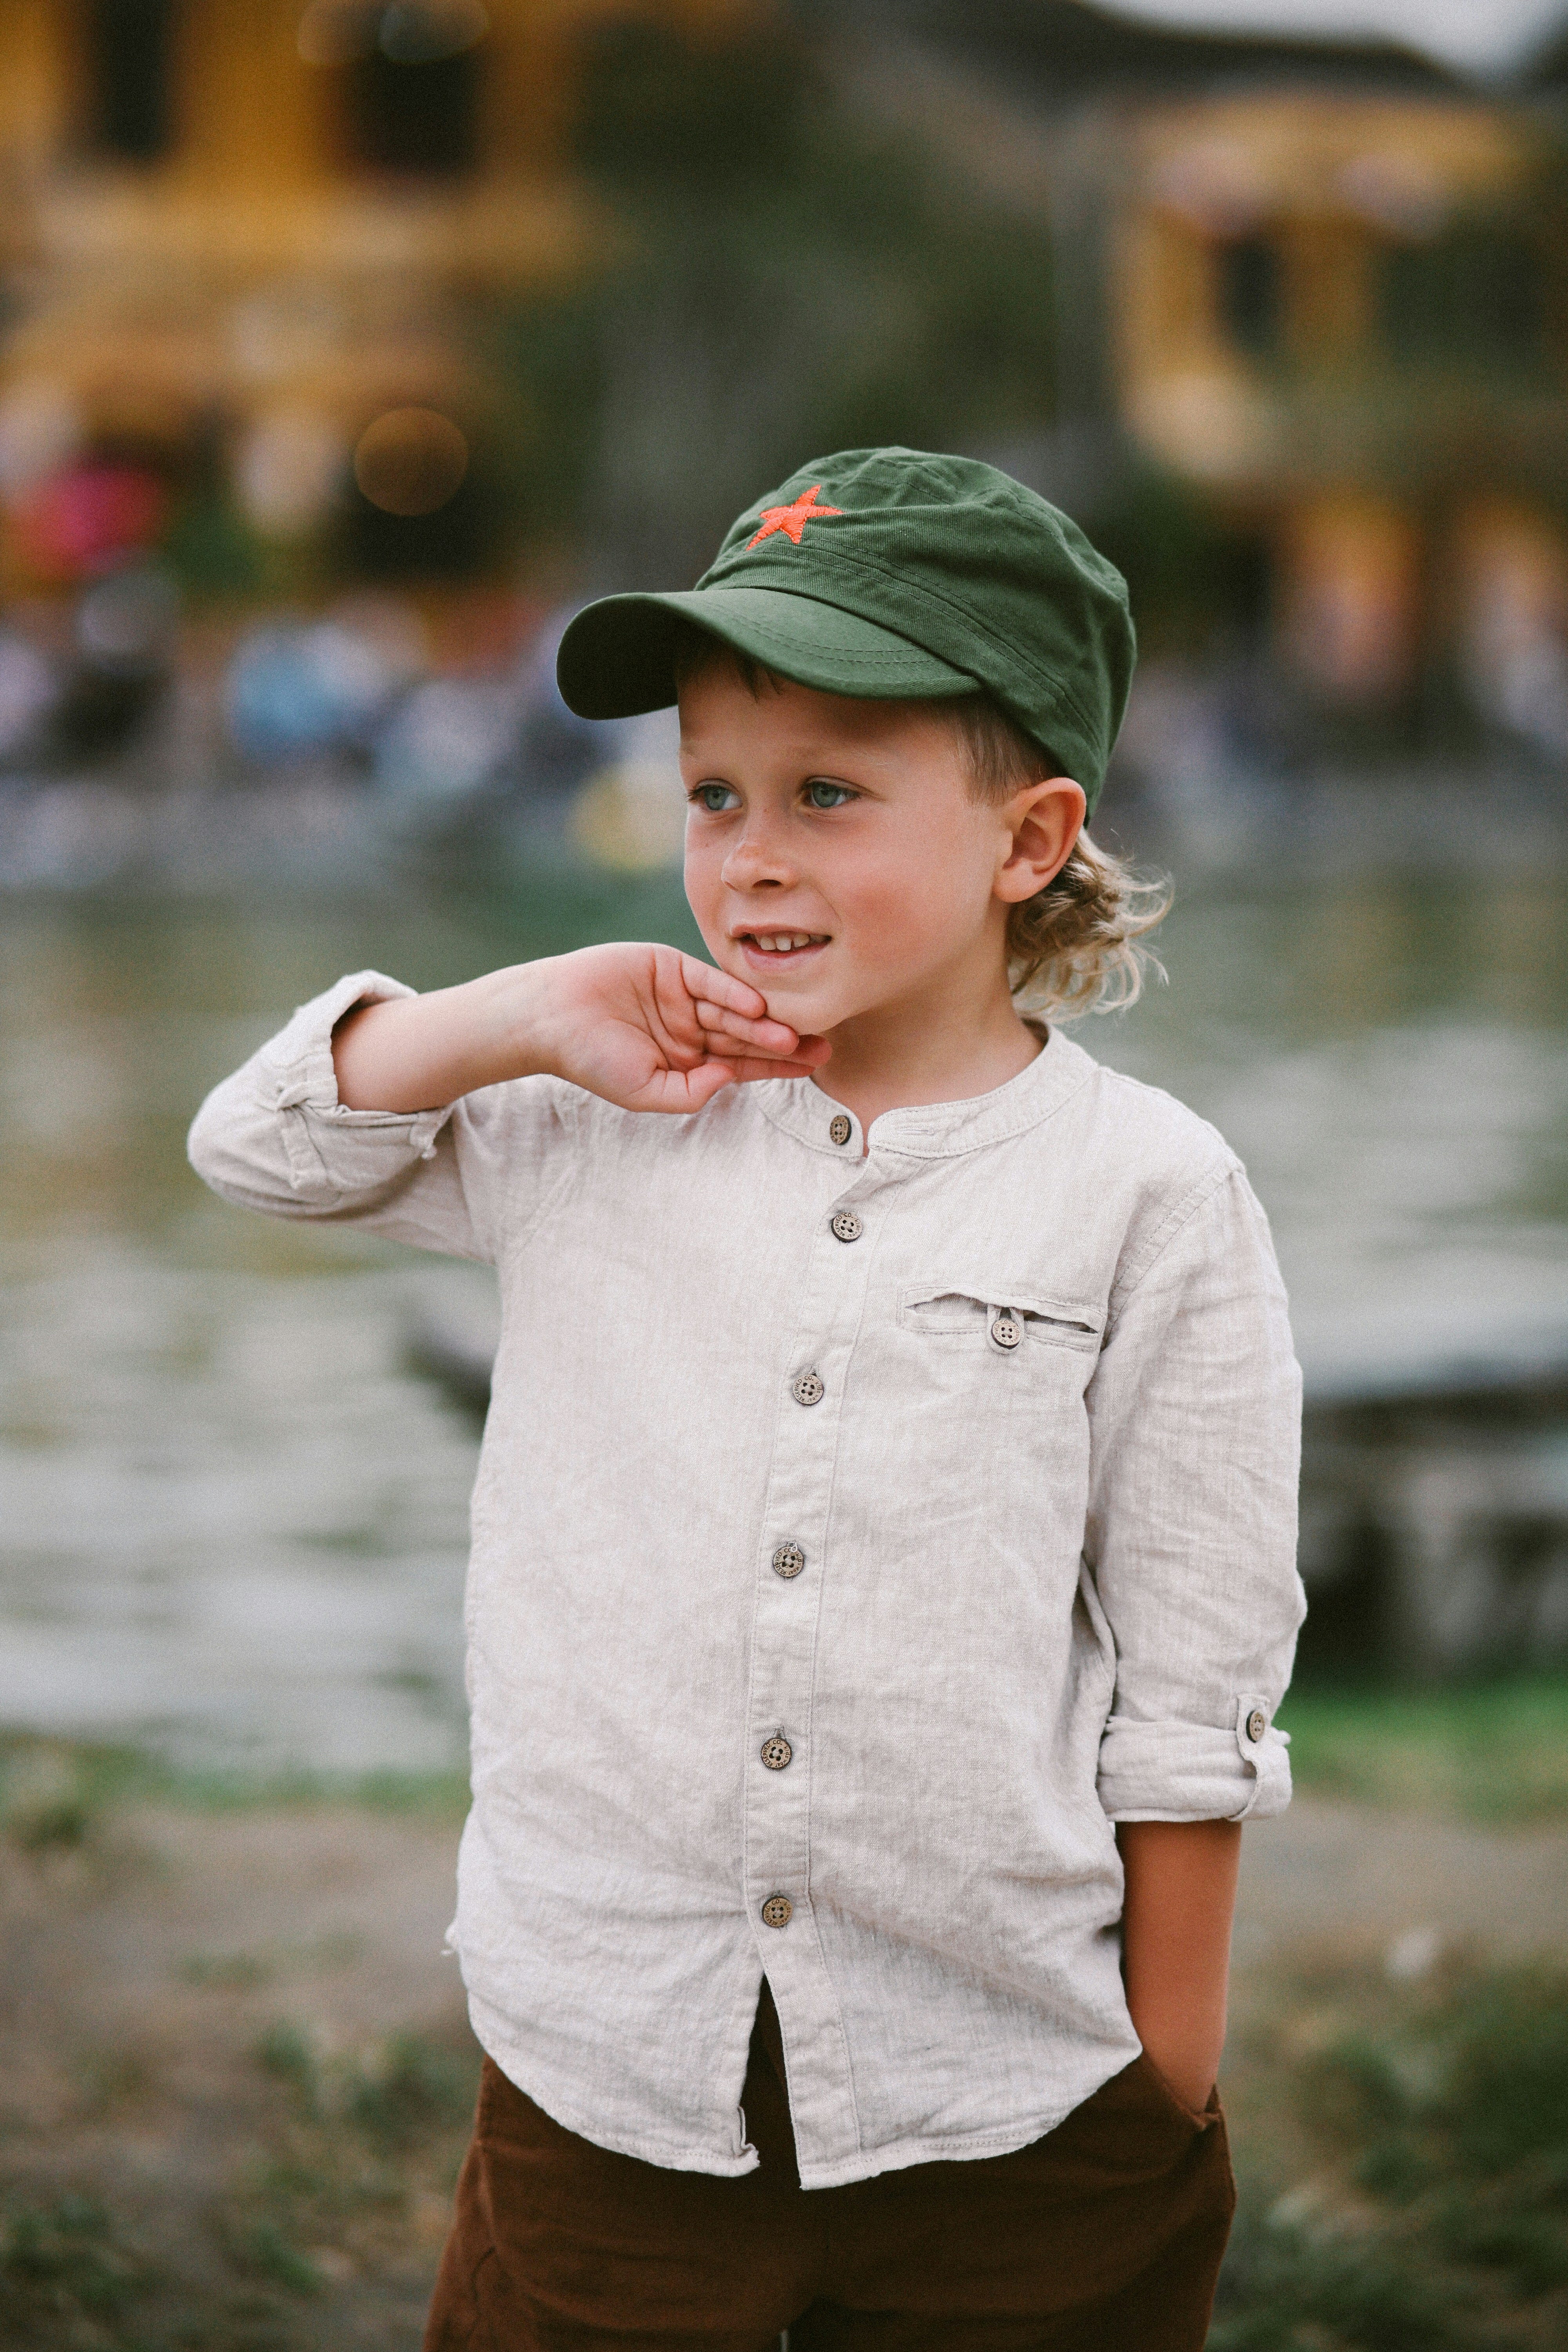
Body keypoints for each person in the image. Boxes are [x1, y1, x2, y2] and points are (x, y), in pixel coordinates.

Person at [188, 447, 1304, 2351]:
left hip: (1012, 2114)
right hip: (604, 2077)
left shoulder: (1151, 1192)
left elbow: (1196, 1682)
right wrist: (519, 1011)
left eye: (827, 794)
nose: (749, 853)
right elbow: (258, 1149)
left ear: (1028, 838)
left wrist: (1163, 2081)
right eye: (712, 792)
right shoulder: (588, 1109)